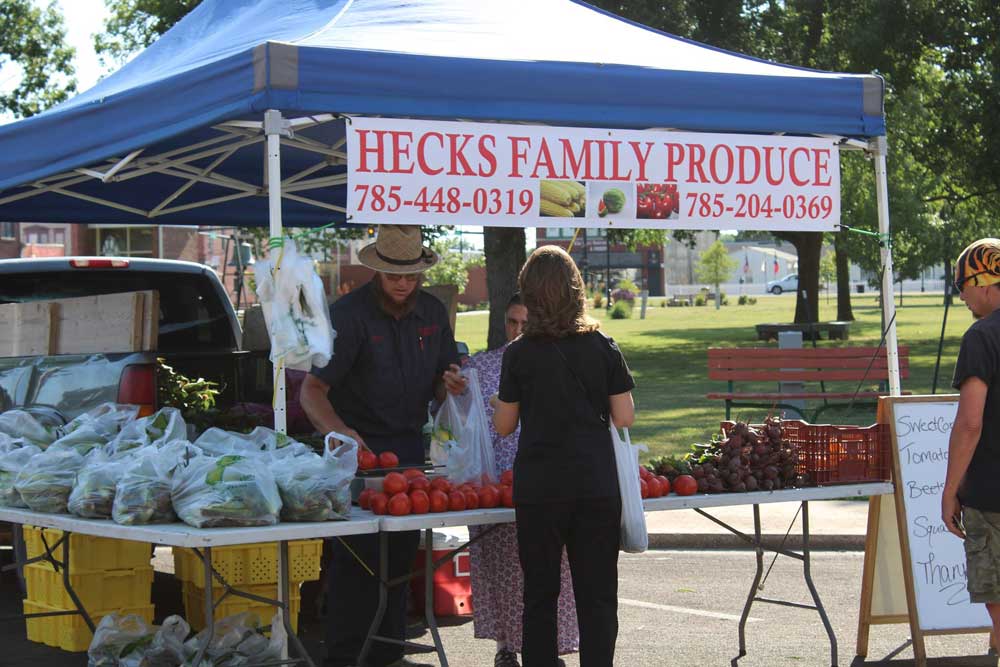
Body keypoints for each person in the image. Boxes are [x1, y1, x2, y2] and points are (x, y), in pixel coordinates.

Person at [300, 224, 467, 667]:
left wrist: (448, 384)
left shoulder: (433, 313)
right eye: (395, 275)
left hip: (410, 453)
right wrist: (341, 436)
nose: (403, 283)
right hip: (358, 455)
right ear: (377, 271)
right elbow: (312, 390)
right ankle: (344, 658)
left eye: (411, 276)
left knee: (398, 565)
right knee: (356, 566)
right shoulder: (350, 315)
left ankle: (389, 656)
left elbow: (442, 379)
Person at [493, 246, 635, 667]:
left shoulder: (518, 354)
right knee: (598, 597)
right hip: (594, 485)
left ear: (529, 295)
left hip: (540, 488)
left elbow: (503, 425)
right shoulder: (602, 346)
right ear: (577, 291)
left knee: (540, 594)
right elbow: (624, 417)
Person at [466, 293, 580, 667]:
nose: (517, 330)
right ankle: (504, 645)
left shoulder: (553, 361)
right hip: (496, 478)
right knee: (499, 562)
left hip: (543, 475)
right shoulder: (482, 366)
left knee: (547, 564)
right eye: (511, 322)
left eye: (524, 323)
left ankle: (549, 645)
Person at [941, 238, 1000, 640]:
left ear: (985, 280)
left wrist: (949, 489)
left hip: (991, 499)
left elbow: (970, 424)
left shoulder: (981, 336)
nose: (960, 293)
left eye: (962, 282)